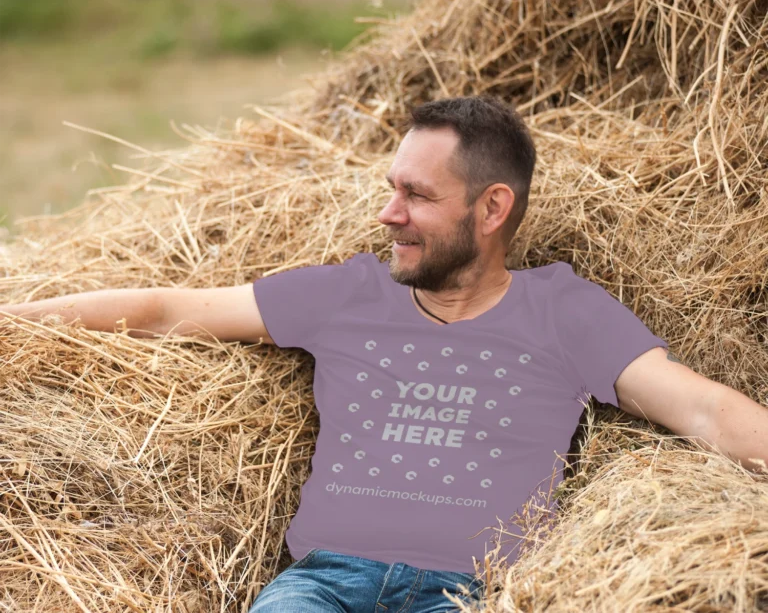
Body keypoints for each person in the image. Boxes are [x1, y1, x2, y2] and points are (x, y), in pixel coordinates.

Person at [2, 96, 766, 613]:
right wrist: (15, 319)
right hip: (324, 586)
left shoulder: (564, 312)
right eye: (390, 188)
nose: (388, 213)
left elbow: (700, 406)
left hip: (468, 593)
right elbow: (168, 311)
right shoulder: (347, 295)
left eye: (417, 197)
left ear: (492, 208)